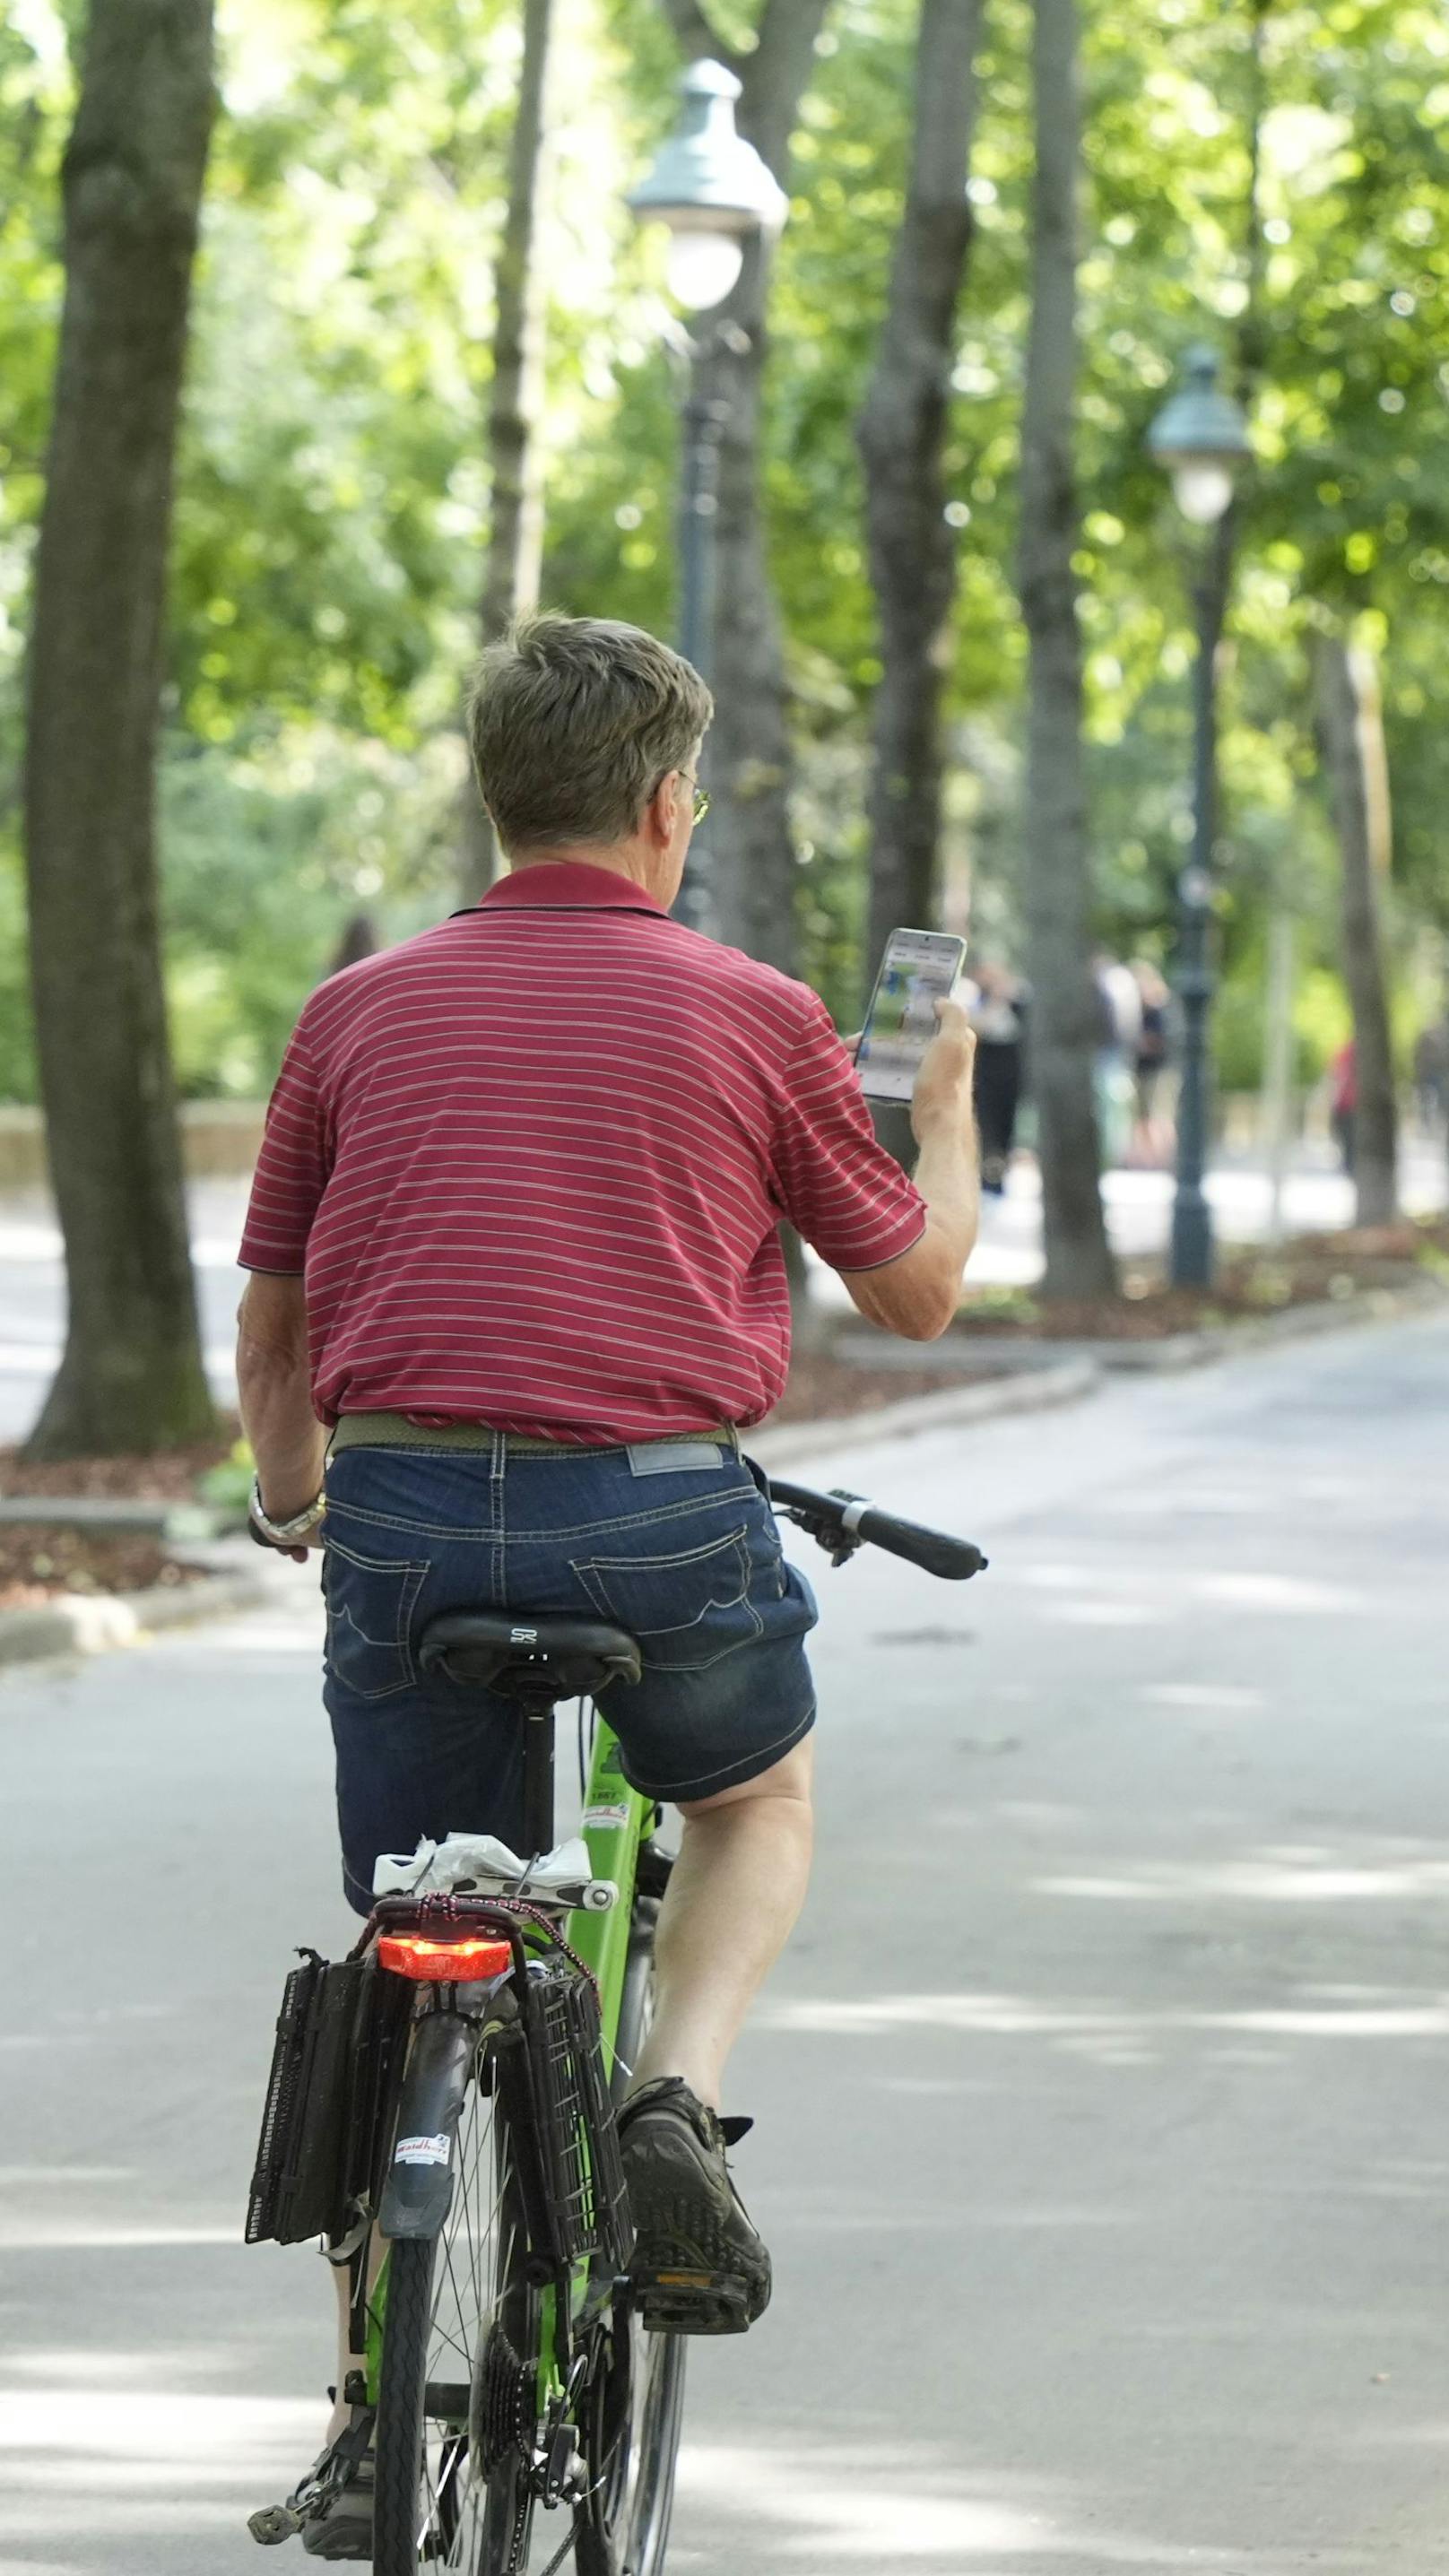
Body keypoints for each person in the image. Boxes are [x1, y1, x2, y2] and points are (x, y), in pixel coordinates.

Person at [235, 613, 980, 2557]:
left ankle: (357, 2407)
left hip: (399, 1523)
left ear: (500, 796)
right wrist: (951, 1107)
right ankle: (667, 2101)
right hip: (658, 1521)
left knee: (411, 1936)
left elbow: (278, 1322)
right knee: (752, 1795)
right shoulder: (757, 1011)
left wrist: (293, 1498)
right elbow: (912, 1288)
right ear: (667, 804)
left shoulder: (354, 1010)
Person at [967, 961, 1028, 1194]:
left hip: (1011, 1069)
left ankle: (1001, 1174)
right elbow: (978, 1026)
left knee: (1006, 1125)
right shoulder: (978, 1001)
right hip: (987, 1069)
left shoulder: (1018, 1004)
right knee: (987, 1124)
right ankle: (988, 1176)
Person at [1331, 1036, 1358, 1175]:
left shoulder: (1344, 1052)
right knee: (1349, 1135)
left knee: (1347, 1135)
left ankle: (1349, 1164)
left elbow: (1336, 1077)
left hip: (1347, 1102)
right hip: (1350, 1103)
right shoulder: (1349, 1053)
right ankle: (1350, 1164)